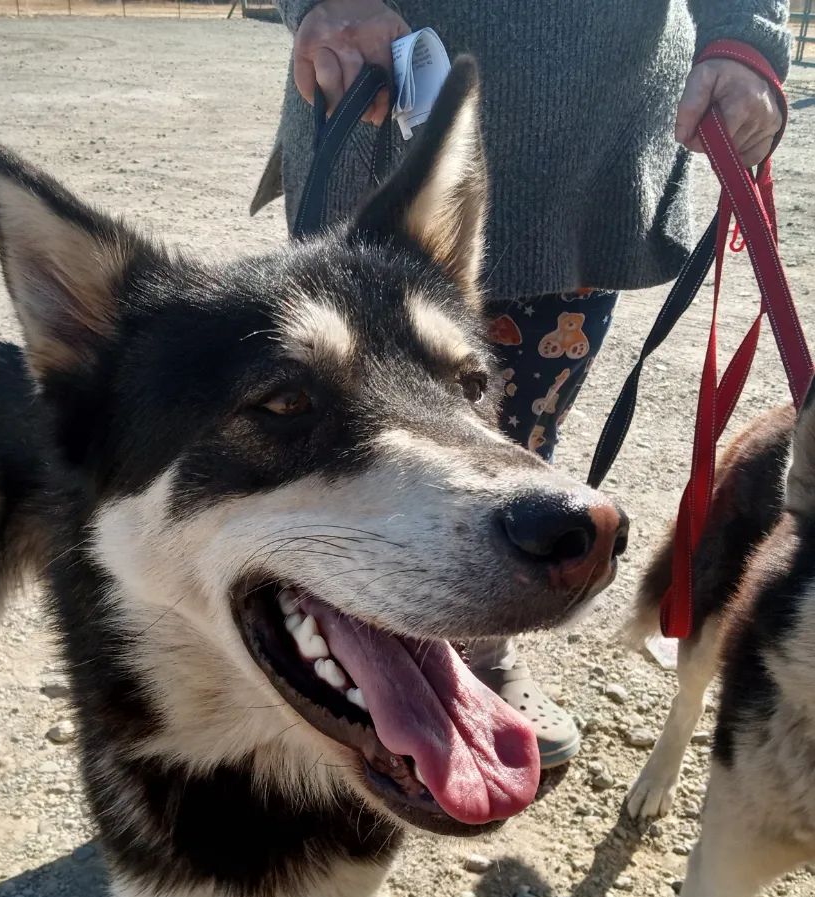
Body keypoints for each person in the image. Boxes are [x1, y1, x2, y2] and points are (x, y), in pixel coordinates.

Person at [252, 0, 791, 768]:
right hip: (379, 105)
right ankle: (333, 645)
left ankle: (475, 643)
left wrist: (745, 36)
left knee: (511, 441)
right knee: (337, 438)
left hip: (582, 154)